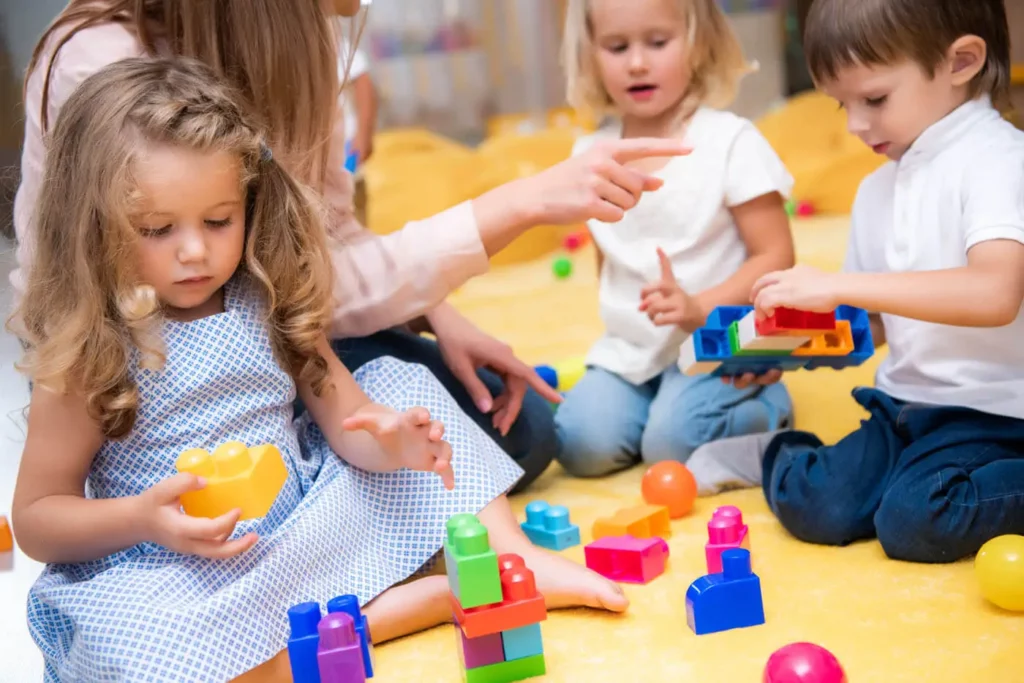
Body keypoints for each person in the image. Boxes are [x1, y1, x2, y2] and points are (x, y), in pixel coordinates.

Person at [11, 57, 629, 683]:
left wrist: (392, 440)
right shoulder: (91, 347)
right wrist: (142, 519)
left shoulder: (267, 299)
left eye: (219, 220)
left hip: (302, 531)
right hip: (172, 570)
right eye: (157, 229)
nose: (195, 250)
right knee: (142, 652)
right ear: (95, 226)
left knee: (401, 382)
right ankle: (376, 617)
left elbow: (348, 420)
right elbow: (37, 517)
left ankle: (510, 562)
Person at [13, 0, 689, 493]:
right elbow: (66, 293)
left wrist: (433, 310)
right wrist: (517, 204)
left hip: (279, 322)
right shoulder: (98, 58)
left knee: (519, 427)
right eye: (163, 230)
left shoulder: (301, 39)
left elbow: (327, 238)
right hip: (155, 366)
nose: (189, 248)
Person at [690, 0, 1024, 563]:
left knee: (916, 519)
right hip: (903, 407)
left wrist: (840, 285)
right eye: (841, 103)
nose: (854, 124)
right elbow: (873, 324)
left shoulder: (999, 161)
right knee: (819, 505)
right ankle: (775, 452)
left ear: (961, 62)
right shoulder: (876, 191)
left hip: (998, 416)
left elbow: (995, 293)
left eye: (874, 99)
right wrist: (786, 346)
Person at [552, 0, 796, 488]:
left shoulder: (729, 140)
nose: (637, 62)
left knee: (670, 446)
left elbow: (777, 257)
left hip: (715, 344)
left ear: (697, 42)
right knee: (579, 443)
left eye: (658, 43)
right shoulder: (590, 156)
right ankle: (659, 407)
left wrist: (697, 305)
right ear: (590, 54)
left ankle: (769, 406)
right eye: (617, 47)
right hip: (631, 353)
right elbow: (610, 259)